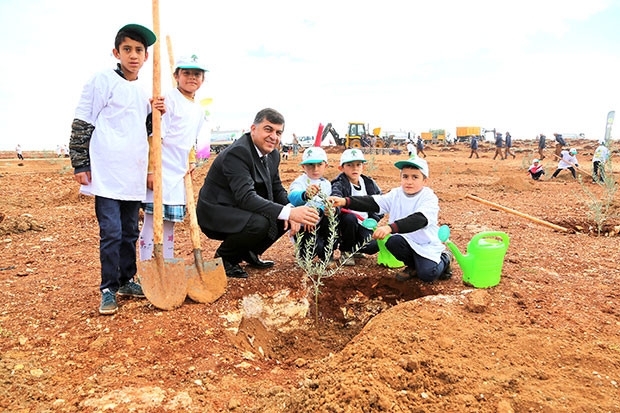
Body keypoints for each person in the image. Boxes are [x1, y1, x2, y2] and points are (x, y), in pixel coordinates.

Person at [69, 23, 157, 315]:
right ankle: (108, 288)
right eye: (128, 49)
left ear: (146, 56)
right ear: (116, 52)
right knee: (111, 232)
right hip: (107, 171)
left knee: (130, 231)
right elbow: (83, 120)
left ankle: (126, 280)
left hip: (132, 173)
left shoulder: (143, 90)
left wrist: (159, 112)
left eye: (139, 50)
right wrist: (80, 162)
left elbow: (150, 129)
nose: (134, 55)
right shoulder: (101, 80)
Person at [196, 108, 320, 279]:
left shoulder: (273, 154)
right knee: (261, 222)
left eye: (278, 132)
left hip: (239, 207)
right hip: (216, 212)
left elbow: (276, 188)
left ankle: (248, 252)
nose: (273, 136)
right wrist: (290, 212)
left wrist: (291, 209)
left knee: (282, 215)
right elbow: (246, 197)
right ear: (253, 129)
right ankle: (225, 258)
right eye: (268, 129)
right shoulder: (238, 152)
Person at [329, 155, 453, 283]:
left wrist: (390, 228)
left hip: (426, 244)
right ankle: (413, 267)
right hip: (405, 241)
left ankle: (445, 258)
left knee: (428, 275)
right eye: (405, 176)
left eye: (415, 177)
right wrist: (345, 201)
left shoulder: (428, 197)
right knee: (392, 242)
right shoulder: (396, 194)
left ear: (425, 181)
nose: (409, 181)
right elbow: (373, 202)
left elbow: (419, 219)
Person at [139, 55, 208, 263]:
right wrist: (151, 170)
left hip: (178, 173)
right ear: (176, 75)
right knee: (152, 222)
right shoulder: (167, 100)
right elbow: (155, 137)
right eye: (186, 73)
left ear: (202, 79)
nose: (191, 78)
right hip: (162, 169)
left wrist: (191, 160)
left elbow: (190, 140)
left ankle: (167, 266)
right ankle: (144, 267)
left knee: (169, 223)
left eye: (197, 74)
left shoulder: (198, 109)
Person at [331, 149, 383, 266]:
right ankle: (346, 250)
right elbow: (336, 196)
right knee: (350, 218)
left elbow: (381, 202)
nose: (354, 168)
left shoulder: (369, 183)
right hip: (347, 224)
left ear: (363, 167)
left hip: (365, 223)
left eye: (358, 165)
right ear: (341, 168)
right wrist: (336, 208)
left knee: (373, 246)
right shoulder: (339, 183)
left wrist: (374, 218)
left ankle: (357, 249)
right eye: (349, 165)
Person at [287, 147, 332, 261]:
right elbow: (293, 197)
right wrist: (305, 195)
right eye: (311, 165)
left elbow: (326, 203)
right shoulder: (299, 182)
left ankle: (327, 255)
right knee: (309, 251)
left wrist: (315, 213)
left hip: (320, 223)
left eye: (319, 164)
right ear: (303, 167)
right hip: (303, 226)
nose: (315, 169)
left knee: (332, 217)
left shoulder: (327, 184)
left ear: (325, 166)